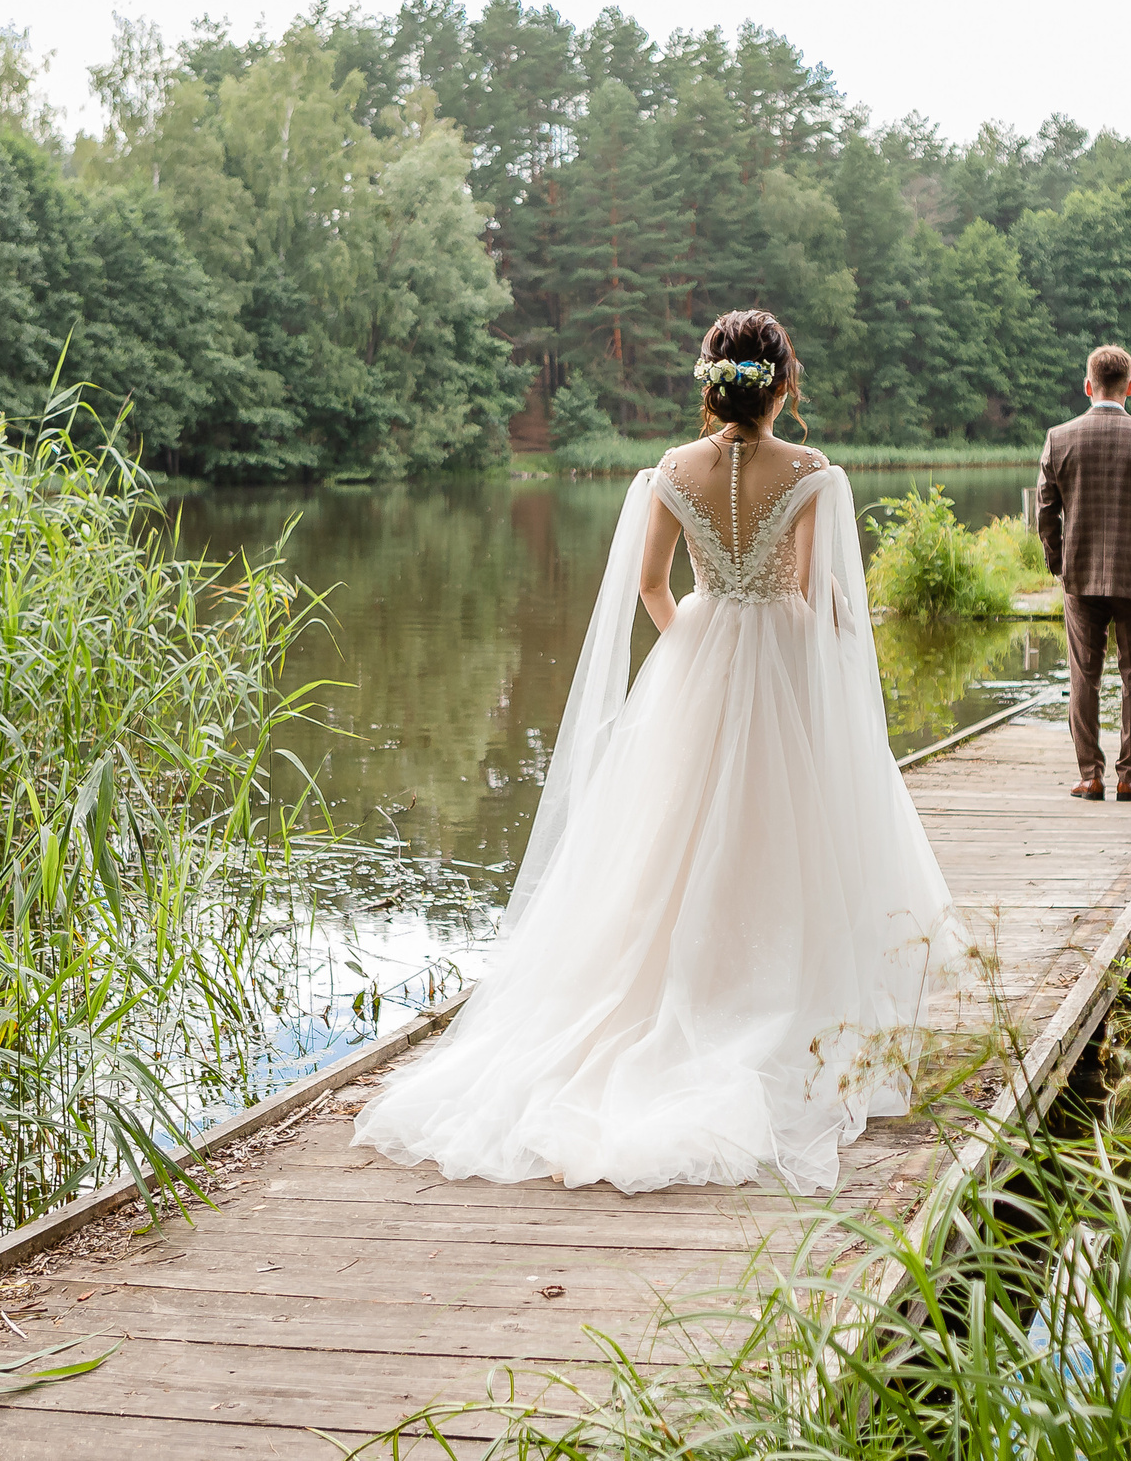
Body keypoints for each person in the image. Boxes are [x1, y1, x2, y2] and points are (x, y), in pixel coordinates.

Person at [352, 311, 966, 1194]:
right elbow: (815, 590)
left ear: (711, 385)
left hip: (701, 655)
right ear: (783, 387)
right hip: (784, 661)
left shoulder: (670, 473)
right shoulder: (814, 475)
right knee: (791, 828)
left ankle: (684, 991)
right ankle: (775, 994)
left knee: (667, 845)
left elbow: (650, 586)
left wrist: (698, 652)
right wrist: (802, 640)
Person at [1036, 343, 1131, 801]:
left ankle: (1090, 776)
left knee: (1084, 676)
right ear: (1130, 387)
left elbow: (1045, 509)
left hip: (1080, 577)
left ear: (1088, 386)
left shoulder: (1060, 438)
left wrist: (1059, 561)